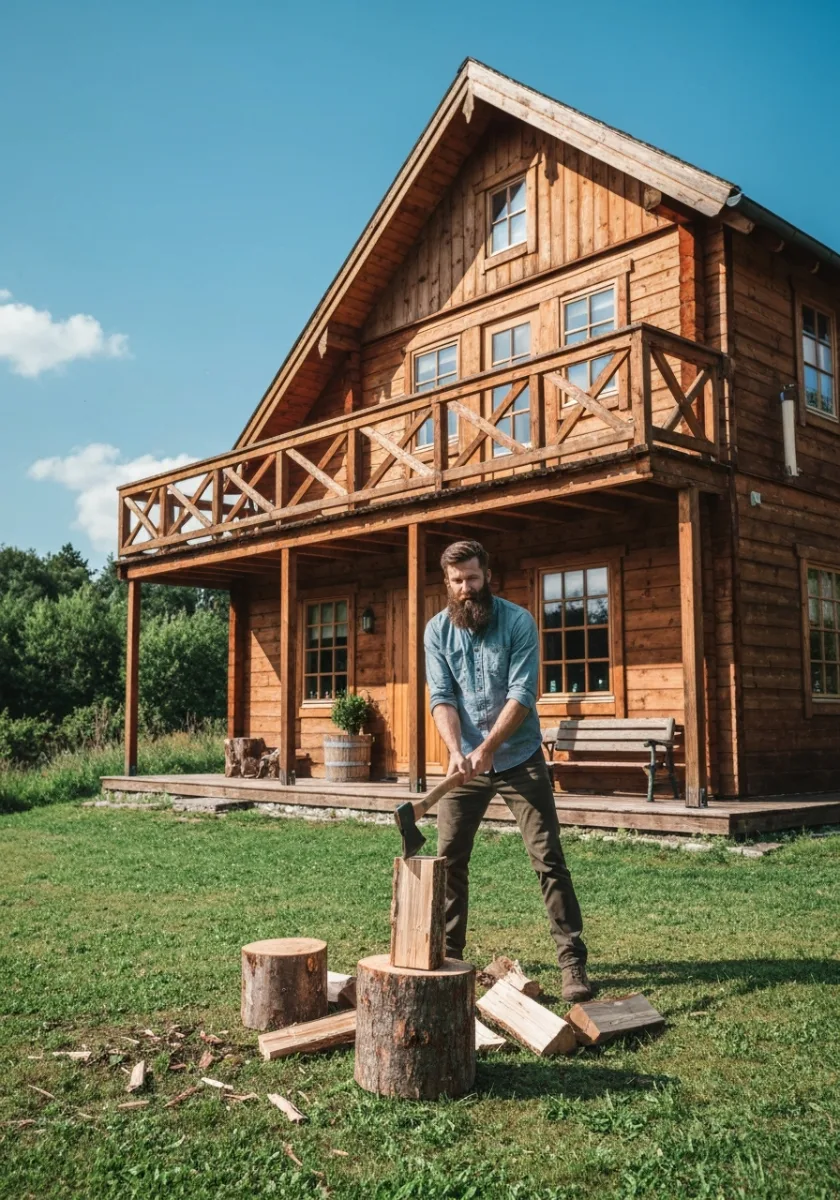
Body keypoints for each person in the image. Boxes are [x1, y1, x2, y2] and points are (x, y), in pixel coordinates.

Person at [424, 539, 592, 1002]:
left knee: (548, 859)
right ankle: (446, 957)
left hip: (519, 756)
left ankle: (572, 963)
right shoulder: (437, 631)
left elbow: (522, 694)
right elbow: (441, 695)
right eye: (457, 581)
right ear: (447, 582)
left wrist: (489, 747)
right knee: (448, 861)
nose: (465, 588)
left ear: (487, 576)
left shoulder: (518, 622)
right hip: (465, 765)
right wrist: (457, 750)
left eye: (472, 578)